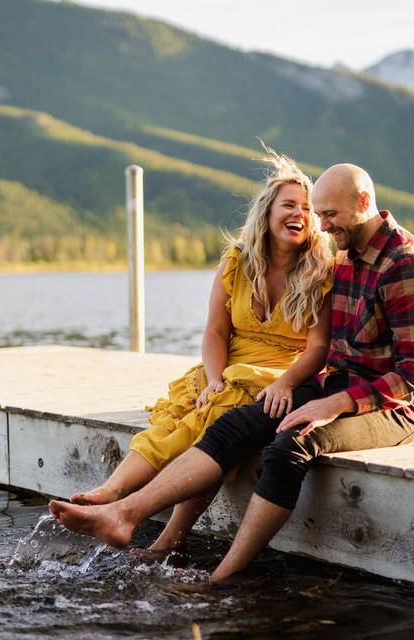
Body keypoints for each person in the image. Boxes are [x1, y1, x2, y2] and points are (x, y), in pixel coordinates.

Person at [50, 163, 414, 582]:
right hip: (340, 388)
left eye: (327, 215)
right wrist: (311, 390)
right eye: (320, 215)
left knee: (289, 446)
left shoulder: (408, 264)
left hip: (399, 408)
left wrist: (333, 402)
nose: (322, 225)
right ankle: (124, 513)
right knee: (232, 426)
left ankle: (219, 579)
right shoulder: (347, 258)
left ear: (364, 202)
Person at [69, 148, 334, 554]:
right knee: (173, 422)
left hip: (274, 375)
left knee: (205, 433)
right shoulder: (238, 261)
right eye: (288, 205)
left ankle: (151, 530)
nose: (298, 213)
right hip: (225, 367)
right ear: (267, 212)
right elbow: (214, 331)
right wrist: (212, 379)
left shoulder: (320, 271)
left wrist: (286, 383)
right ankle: (111, 492)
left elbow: (318, 348)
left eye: (307, 208)